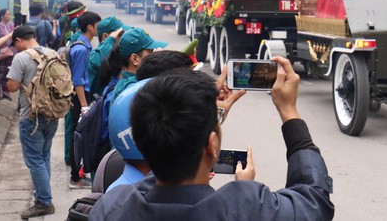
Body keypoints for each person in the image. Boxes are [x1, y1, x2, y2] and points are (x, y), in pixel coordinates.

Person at [89, 58, 334, 220]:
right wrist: (289, 111)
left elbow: (168, 151)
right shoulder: (246, 207)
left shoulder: (111, 209)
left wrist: (197, 110)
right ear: (212, 145)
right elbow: (314, 201)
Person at [5, 26, 59, 219]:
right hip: (52, 115)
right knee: (43, 157)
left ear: (19, 40)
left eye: (15, 44)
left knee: (35, 161)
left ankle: (44, 201)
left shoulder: (21, 58)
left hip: (31, 118)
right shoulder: (51, 53)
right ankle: (42, 196)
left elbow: (11, 87)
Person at [68, 11, 102, 189]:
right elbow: (78, 80)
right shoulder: (81, 49)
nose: (99, 28)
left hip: (82, 96)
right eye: (98, 24)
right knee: (78, 136)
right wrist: (83, 105)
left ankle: (78, 174)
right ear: (90, 27)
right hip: (80, 97)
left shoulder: (84, 45)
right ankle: (75, 177)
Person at [110, 27, 168, 105]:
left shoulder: (131, 83)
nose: (155, 56)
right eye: (151, 52)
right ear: (135, 59)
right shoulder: (133, 89)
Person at [88, 16, 132, 97]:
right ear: (105, 36)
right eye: (120, 35)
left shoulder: (115, 55)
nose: (123, 38)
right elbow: (96, 62)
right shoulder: (97, 55)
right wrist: (111, 39)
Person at [0, 8, 16, 101]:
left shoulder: (12, 25)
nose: (9, 16)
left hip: (11, 53)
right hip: (2, 53)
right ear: (2, 15)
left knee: (8, 73)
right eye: (8, 14)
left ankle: (6, 92)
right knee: (0, 72)